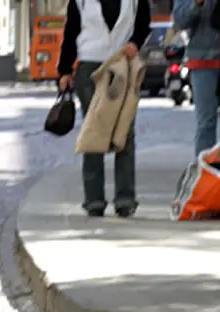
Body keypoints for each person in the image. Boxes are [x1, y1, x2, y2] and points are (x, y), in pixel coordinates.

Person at [58, 0, 152, 216]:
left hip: (122, 64)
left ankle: (125, 199)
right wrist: (65, 70)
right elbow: (71, 31)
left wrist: (135, 43)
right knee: (94, 131)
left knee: (125, 132)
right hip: (89, 67)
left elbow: (143, 25)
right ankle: (94, 200)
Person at [172, 0, 219, 156]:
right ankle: (206, 175)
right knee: (206, 123)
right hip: (203, 62)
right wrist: (196, 3)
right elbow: (179, 20)